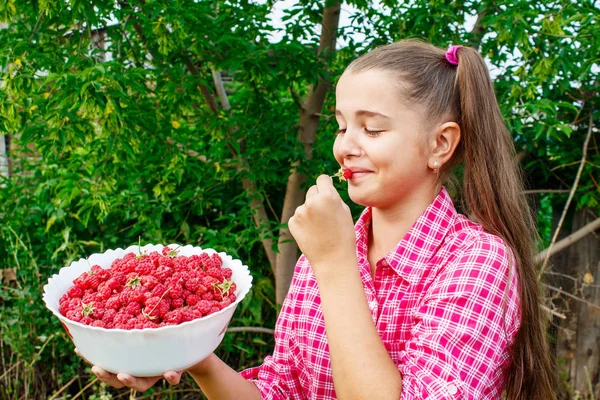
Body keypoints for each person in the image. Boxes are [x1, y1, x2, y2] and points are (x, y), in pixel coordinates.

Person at [86, 39, 556, 399]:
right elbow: (280, 391)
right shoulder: (328, 252)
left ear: (440, 145)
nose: (345, 145)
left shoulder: (476, 263)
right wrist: (187, 350)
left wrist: (334, 264)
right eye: (341, 125)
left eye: (372, 128)